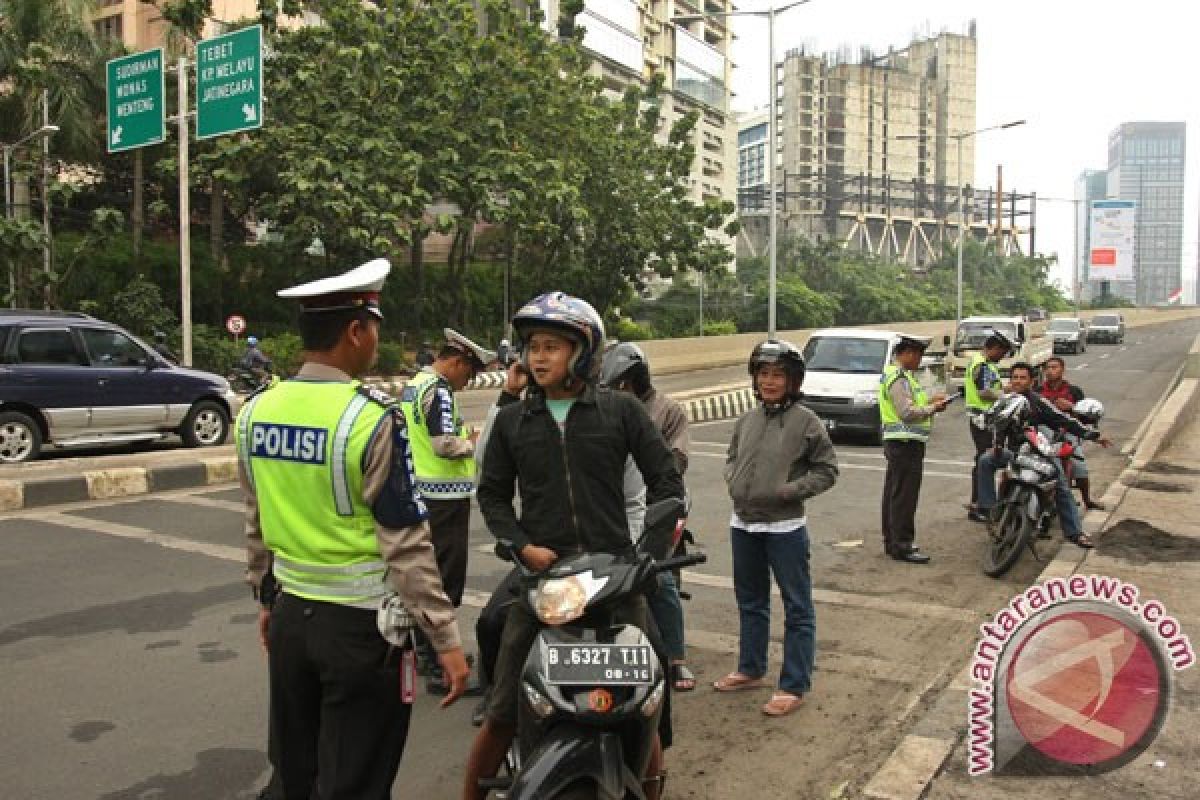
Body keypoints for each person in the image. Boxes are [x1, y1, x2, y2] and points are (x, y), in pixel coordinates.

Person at [235, 258, 469, 800]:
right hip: (364, 635)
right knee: (356, 781)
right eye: (375, 329)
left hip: (292, 619)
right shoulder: (369, 419)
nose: (376, 341)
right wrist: (446, 639)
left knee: (293, 773)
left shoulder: (255, 413)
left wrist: (267, 601)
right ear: (356, 331)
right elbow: (407, 544)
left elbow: (257, 524)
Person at [462, 291, 684, 800]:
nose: (538, 357)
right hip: (544, 584)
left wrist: (645, 554)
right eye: (533, 347)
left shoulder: (621, 411)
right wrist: (520, 546)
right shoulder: (515, 421)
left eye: (551, 347)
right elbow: (493, 496)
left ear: (583, 353)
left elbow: (667, 482)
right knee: (501, 711)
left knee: (649, 703)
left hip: (616, 579)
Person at [715, 340, 838, 717]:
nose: (769, 382)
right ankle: (751, 668)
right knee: (751, 601)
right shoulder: (747, 420)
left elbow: (827, 469)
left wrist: (791, 490)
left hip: (785, 527)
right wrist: (733, 478)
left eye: (777, 375)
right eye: (763, 374)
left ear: (792, 381)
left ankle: (793, 684)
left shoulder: (806, 422)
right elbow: (732, 457)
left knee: (797, 606)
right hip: (744, 524)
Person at [400, 327, 495, 691]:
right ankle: (438, 662)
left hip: (420, 490)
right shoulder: (438, 391)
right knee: (444, 578)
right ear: (456, 362)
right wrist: (471, 444)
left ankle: (427, 653)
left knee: (426, 573)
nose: (467, 383)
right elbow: (442, 444)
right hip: (443, 496)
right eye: (468, 374)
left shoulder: (414, 386)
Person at [600, 342, 696, 691]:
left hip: (658, 505)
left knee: (659, 578)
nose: (617, 390)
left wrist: (650, 471)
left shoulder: (668, 411)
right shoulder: (599, 409)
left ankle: (676, 658)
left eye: (623, 383)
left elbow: (676, 461)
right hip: (611, 505)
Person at [974, 362, 1112, 549]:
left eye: (1023, 378)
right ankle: (989, 511)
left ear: (1031, 381)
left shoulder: (1039, 402)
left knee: (1062, 485)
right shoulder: (1004, 401)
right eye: (1015, 377)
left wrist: (1094, 436)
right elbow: (995, 425)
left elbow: (1066, 421)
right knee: (985, 460)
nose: (1018, 381)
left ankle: (1075, 533)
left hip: (1039, 455)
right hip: (1014, 454)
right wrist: (996, 446)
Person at [878, 335, 950, 564]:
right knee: (904, 496)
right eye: (918, 354)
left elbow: (910, 404)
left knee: (894, 492)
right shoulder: (898, 377)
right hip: (904, 443)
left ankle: (893, 541)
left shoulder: (901, 376)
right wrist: (933, 408)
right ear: (907, 353)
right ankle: (902, 544)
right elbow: (906, 413)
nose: (920, 359)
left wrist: (931, 400)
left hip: (901, 442)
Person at [1037, 355, 1103, 510]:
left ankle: (1087, 500)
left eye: (1054, 367)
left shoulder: (1074, 391)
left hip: (1068, 433)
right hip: (1044, 434)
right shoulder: (1038, 391)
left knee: (1079, 465)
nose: (1050, 371)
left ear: (1062, 370)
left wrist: (1072, 407)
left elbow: (1085, 417)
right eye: (1048, 368)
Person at [964, 331, 1013, 517]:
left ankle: (980, 502)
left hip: (985, 417)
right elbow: (984, 392)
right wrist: (1004, 392)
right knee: (985, 460)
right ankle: (980, 504)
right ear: (994, 348)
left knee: (983, 460)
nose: (1002, 357)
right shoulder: (982, 365)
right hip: (982, 418)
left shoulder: (985, 364)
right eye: (1002, 352)